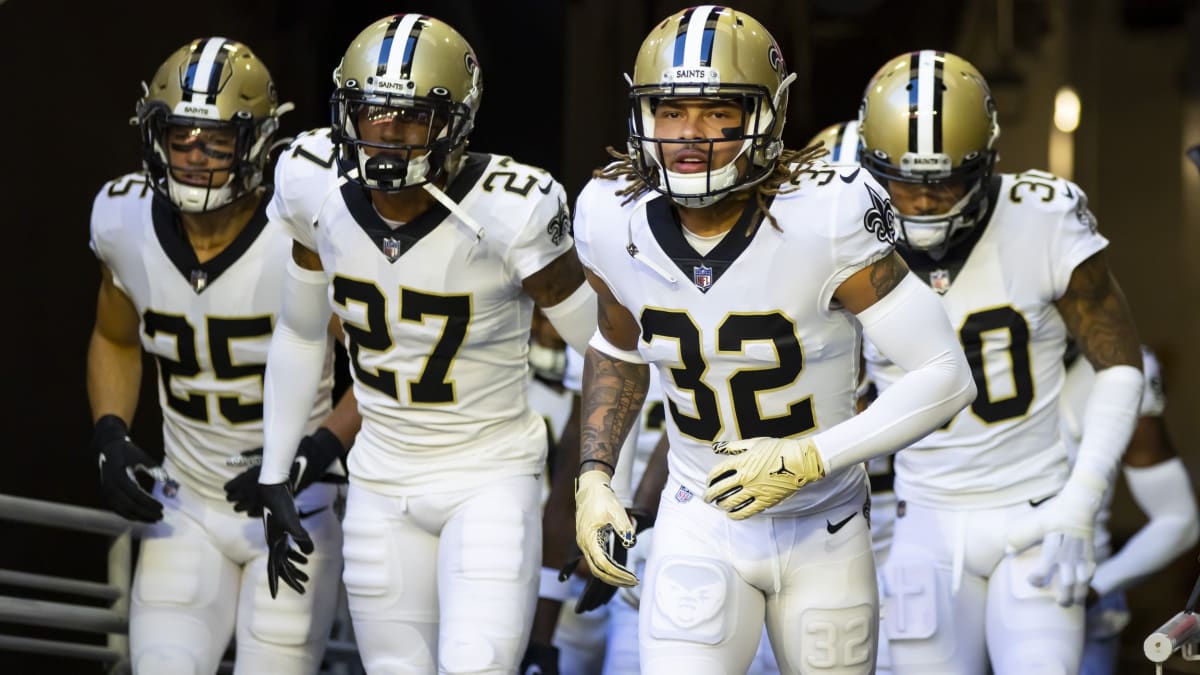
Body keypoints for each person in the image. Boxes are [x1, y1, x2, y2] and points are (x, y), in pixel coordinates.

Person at [570, 8, 975, 674]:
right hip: (698, 514)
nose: (690, 135)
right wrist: (595, 477)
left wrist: (809, 457)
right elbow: (617, 347)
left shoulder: (829, 212)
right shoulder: (608, 215)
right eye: (670, 111)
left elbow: (945, 373)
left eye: (717, 109)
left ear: (768, 114)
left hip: (825, 525)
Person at [252, 14, 598, 673]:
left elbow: (607, 351)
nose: (383, 135)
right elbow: (300, 330)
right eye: (368, 113)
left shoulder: (511, 208)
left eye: (408, 118)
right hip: (380, 479)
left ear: (454, 124)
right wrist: (278, 468)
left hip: (490, 476)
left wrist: (601, 481)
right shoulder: (310, 180)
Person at [858, 50, 1146, 674]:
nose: (927, 201)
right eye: (905, 180)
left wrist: (1083, 499)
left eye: (946, 180)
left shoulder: (1043, 217)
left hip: (1036, 508)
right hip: (924, 520)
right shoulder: (842, 229)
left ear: (988, 162)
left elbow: (1121, 366)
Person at [86, 38, 357, 674]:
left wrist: (315, 454)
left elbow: (384, 372)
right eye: (180, 136)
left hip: (296, 508)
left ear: (257, 142)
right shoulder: (122, 220)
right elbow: (116, 338)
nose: (194, 156)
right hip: (186, 505)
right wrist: (109, 431)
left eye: (216, 139)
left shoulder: (303, 232)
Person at [1060, 344, 1200, 674]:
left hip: (1081, 582)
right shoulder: (935, 341)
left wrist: (1097, 586)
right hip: (951, 577)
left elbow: (1178, 519)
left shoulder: (1123, 367)